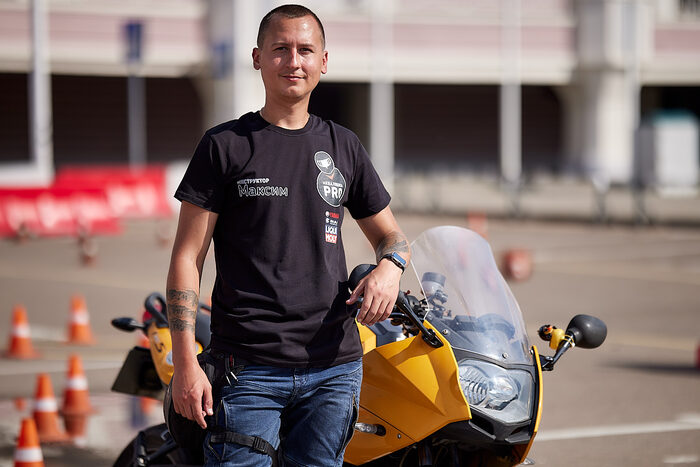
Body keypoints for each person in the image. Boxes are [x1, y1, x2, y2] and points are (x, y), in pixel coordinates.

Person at [166, 4, 410, 466]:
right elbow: (187, 257)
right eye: (280, 49)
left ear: (323, 61)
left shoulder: (343, 145)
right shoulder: (224, 145)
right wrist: (185, 363)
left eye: (305, 50)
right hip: (248, 371)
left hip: (335, 369)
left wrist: (390, 267)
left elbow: (391, 235)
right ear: (257, 58)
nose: (293, 61)